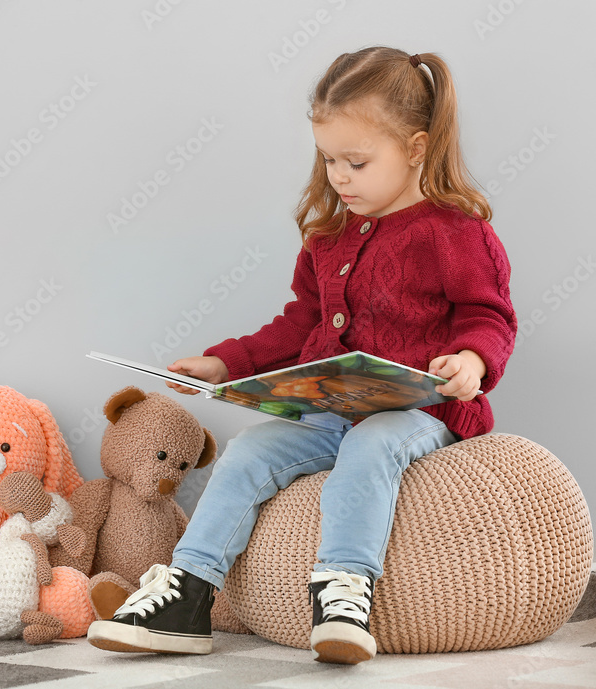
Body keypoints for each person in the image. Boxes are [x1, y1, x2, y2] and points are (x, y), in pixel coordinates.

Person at [87, 46, 517, 665]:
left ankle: (343, 592)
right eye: (329, 160)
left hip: (422, 416)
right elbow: (299, 325)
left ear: (417, 148)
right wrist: (226, 364)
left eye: (357, 162)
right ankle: (188, 592)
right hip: (330, 413)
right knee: (248, 452)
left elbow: (489, 316)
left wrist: (471, 363)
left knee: (372, 445)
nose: (339, 177)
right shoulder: (330, 237)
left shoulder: (455, 232)